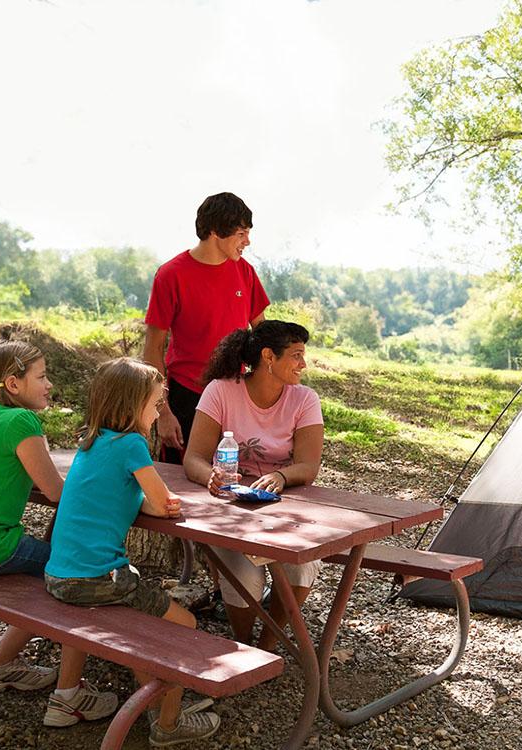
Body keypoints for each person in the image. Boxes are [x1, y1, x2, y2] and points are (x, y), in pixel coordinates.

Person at [0, 341, 117, 726]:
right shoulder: (22, 422)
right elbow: (54, 491)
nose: (50, 384)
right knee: (77, 573)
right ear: (14, 384)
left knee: (57, 570)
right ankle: (69, 697)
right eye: (42, 376)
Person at [44, 357, 221, 746]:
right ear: (131, 406)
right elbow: (162, 503)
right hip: (99, 577)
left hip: (59, 574)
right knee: (180, 627)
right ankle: (169, 724)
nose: (158, 412)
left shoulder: (91, 441)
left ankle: (157, 705)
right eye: (155, 404)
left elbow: (127, 495)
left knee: (146, 623)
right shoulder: (131, 444)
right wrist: (159, 500)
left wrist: (145, 500)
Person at [183, 321, 324, 650]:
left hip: (283, 508)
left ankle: (268, 644)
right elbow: (194, 458)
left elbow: (308, 466)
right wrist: (210, 476)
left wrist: (281, 476)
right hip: (230, 505)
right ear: (268, 357)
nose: (303, 364)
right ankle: (243, 645)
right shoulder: (221, 390)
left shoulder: (304, 399)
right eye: (296, 355)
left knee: (301, 571)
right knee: (246, 577)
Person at [143, 192, 269, 464]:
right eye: (241, 233)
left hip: (234, 393)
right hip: (187, 395)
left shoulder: (245, 272)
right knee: (180, 481)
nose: (247, 241)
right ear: (215, 232)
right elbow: (152, 350)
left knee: (231, 475)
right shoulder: (171, 274)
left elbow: (264, 337)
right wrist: (163, 413)